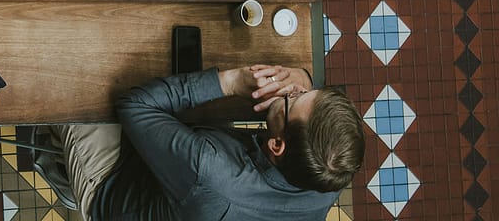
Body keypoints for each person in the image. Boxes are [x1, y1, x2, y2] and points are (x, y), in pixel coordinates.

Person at [35, 64, 365, 220]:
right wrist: (302, 78)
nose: (295, 90)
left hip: (113, 185)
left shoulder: (210, 169)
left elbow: (133, 105)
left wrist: (230, 81)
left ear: (277, 146)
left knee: (77, 83)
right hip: (190, 181)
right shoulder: (331, 172)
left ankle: (63, 169)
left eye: (296, 98)